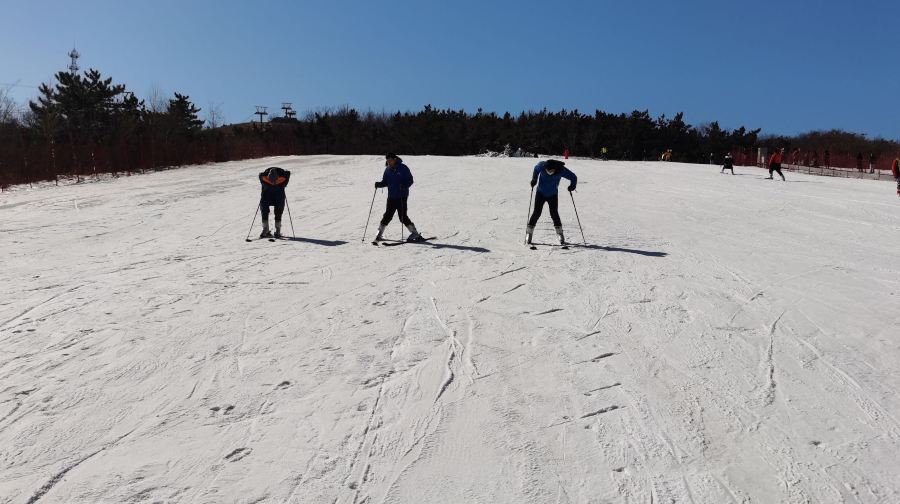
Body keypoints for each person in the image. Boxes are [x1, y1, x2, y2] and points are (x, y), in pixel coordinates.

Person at [374, 153, 423, 242]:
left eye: (390, 160)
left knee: (402, 216)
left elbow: (410, 180)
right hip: (391, 196)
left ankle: (415, 233)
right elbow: (385, 181)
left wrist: (404, 186)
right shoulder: (387, 170)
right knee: (387, 215)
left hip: (401, 196)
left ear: (395, 159)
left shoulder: (403, 168)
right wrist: (379, 184)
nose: (389, 162)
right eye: (387, 161)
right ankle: (379, 234)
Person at [527, 159, 577, 245]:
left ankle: (560, 234)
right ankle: (529, 232)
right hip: (540, 193)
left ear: (555, 169)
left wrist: (572, 186)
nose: (549, 172)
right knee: (536, 212)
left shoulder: (561, 170)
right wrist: (534, 179)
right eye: (547, 170)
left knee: (554, 213)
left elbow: (573, 177)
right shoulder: (542, 166)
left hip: (553, 195)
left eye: (551, 170)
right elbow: (536, 169)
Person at [258, 167, 290, 238]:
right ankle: (266, 230)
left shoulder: (282, 177)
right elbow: (288, 173)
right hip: (268, 195)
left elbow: (288, 173)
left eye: (275, 181)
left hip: (277, 195)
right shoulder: (264, 177)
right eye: (271, 181)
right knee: (265, 210)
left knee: (278, 211)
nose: (273, 183)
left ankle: (276, 231)